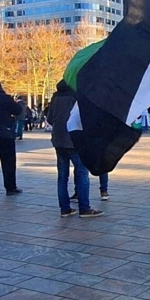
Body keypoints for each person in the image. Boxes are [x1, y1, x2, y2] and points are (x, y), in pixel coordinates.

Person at [47, 81, 104, 218]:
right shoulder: (76, 97)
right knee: (82, 173)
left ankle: (65, 208)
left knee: (62, 176)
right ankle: (84, 208)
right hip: (75, 140)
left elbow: (49, 119)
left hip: (58, 140)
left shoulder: (55, 97)